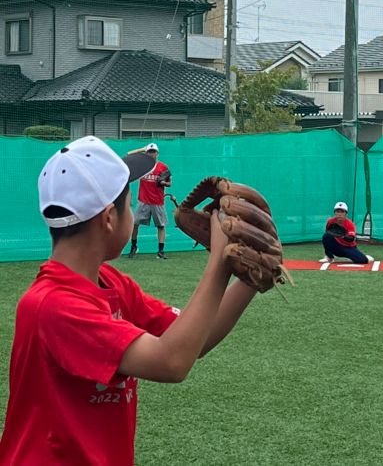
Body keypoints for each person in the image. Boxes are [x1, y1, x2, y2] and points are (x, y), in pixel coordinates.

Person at [0, 136, 256, 466]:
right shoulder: (52, 305)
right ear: (109, 218)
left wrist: (249, 279)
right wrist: (219, 261)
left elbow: (193, 340)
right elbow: (170, 362)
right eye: (130, 204)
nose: (134, 214)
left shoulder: (111, 283)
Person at [129, 142, 171, 259]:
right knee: (134, 224)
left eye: (153, 152)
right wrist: (142, 149)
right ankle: (134, 247)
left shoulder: (163, 167)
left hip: (157, 201)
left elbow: (169, 183)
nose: (152, 154)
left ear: (157, 153)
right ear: (146, 153)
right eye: (149, 152)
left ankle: (161, 251)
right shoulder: (142, 166)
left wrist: (164, 183)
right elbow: (128, 155)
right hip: (143, 201)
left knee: (161, 226)